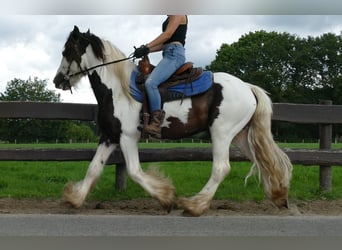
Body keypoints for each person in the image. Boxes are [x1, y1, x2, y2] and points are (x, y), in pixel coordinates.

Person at [134, 15, 188, 138]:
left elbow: (167, 34)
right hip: (168, 52)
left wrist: (146, 46)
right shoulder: (170, 16)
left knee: (151, 83)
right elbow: (164, 43)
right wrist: (146, 50)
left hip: (174, 54)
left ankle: (155, 124)